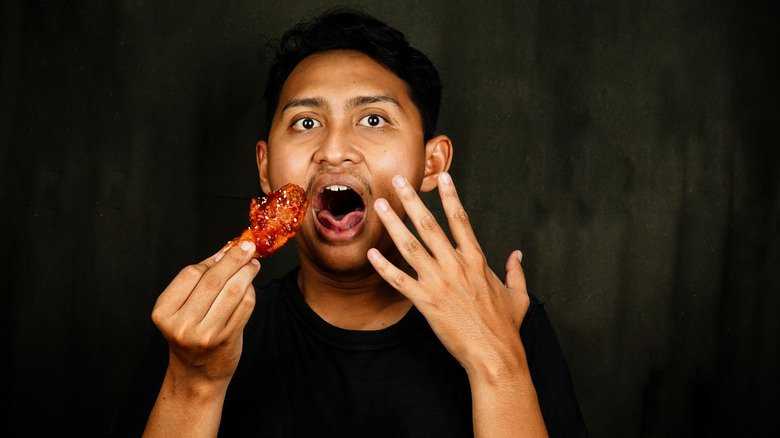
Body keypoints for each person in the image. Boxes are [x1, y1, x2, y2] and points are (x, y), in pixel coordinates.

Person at [110, 9, 587, 437]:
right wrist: (194, 382)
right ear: (265, 165)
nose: (334, 149)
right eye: (306, 122)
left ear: (431, 162)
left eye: (374, 120)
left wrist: (498, 364)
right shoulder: (197, 331)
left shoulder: (507, 322)